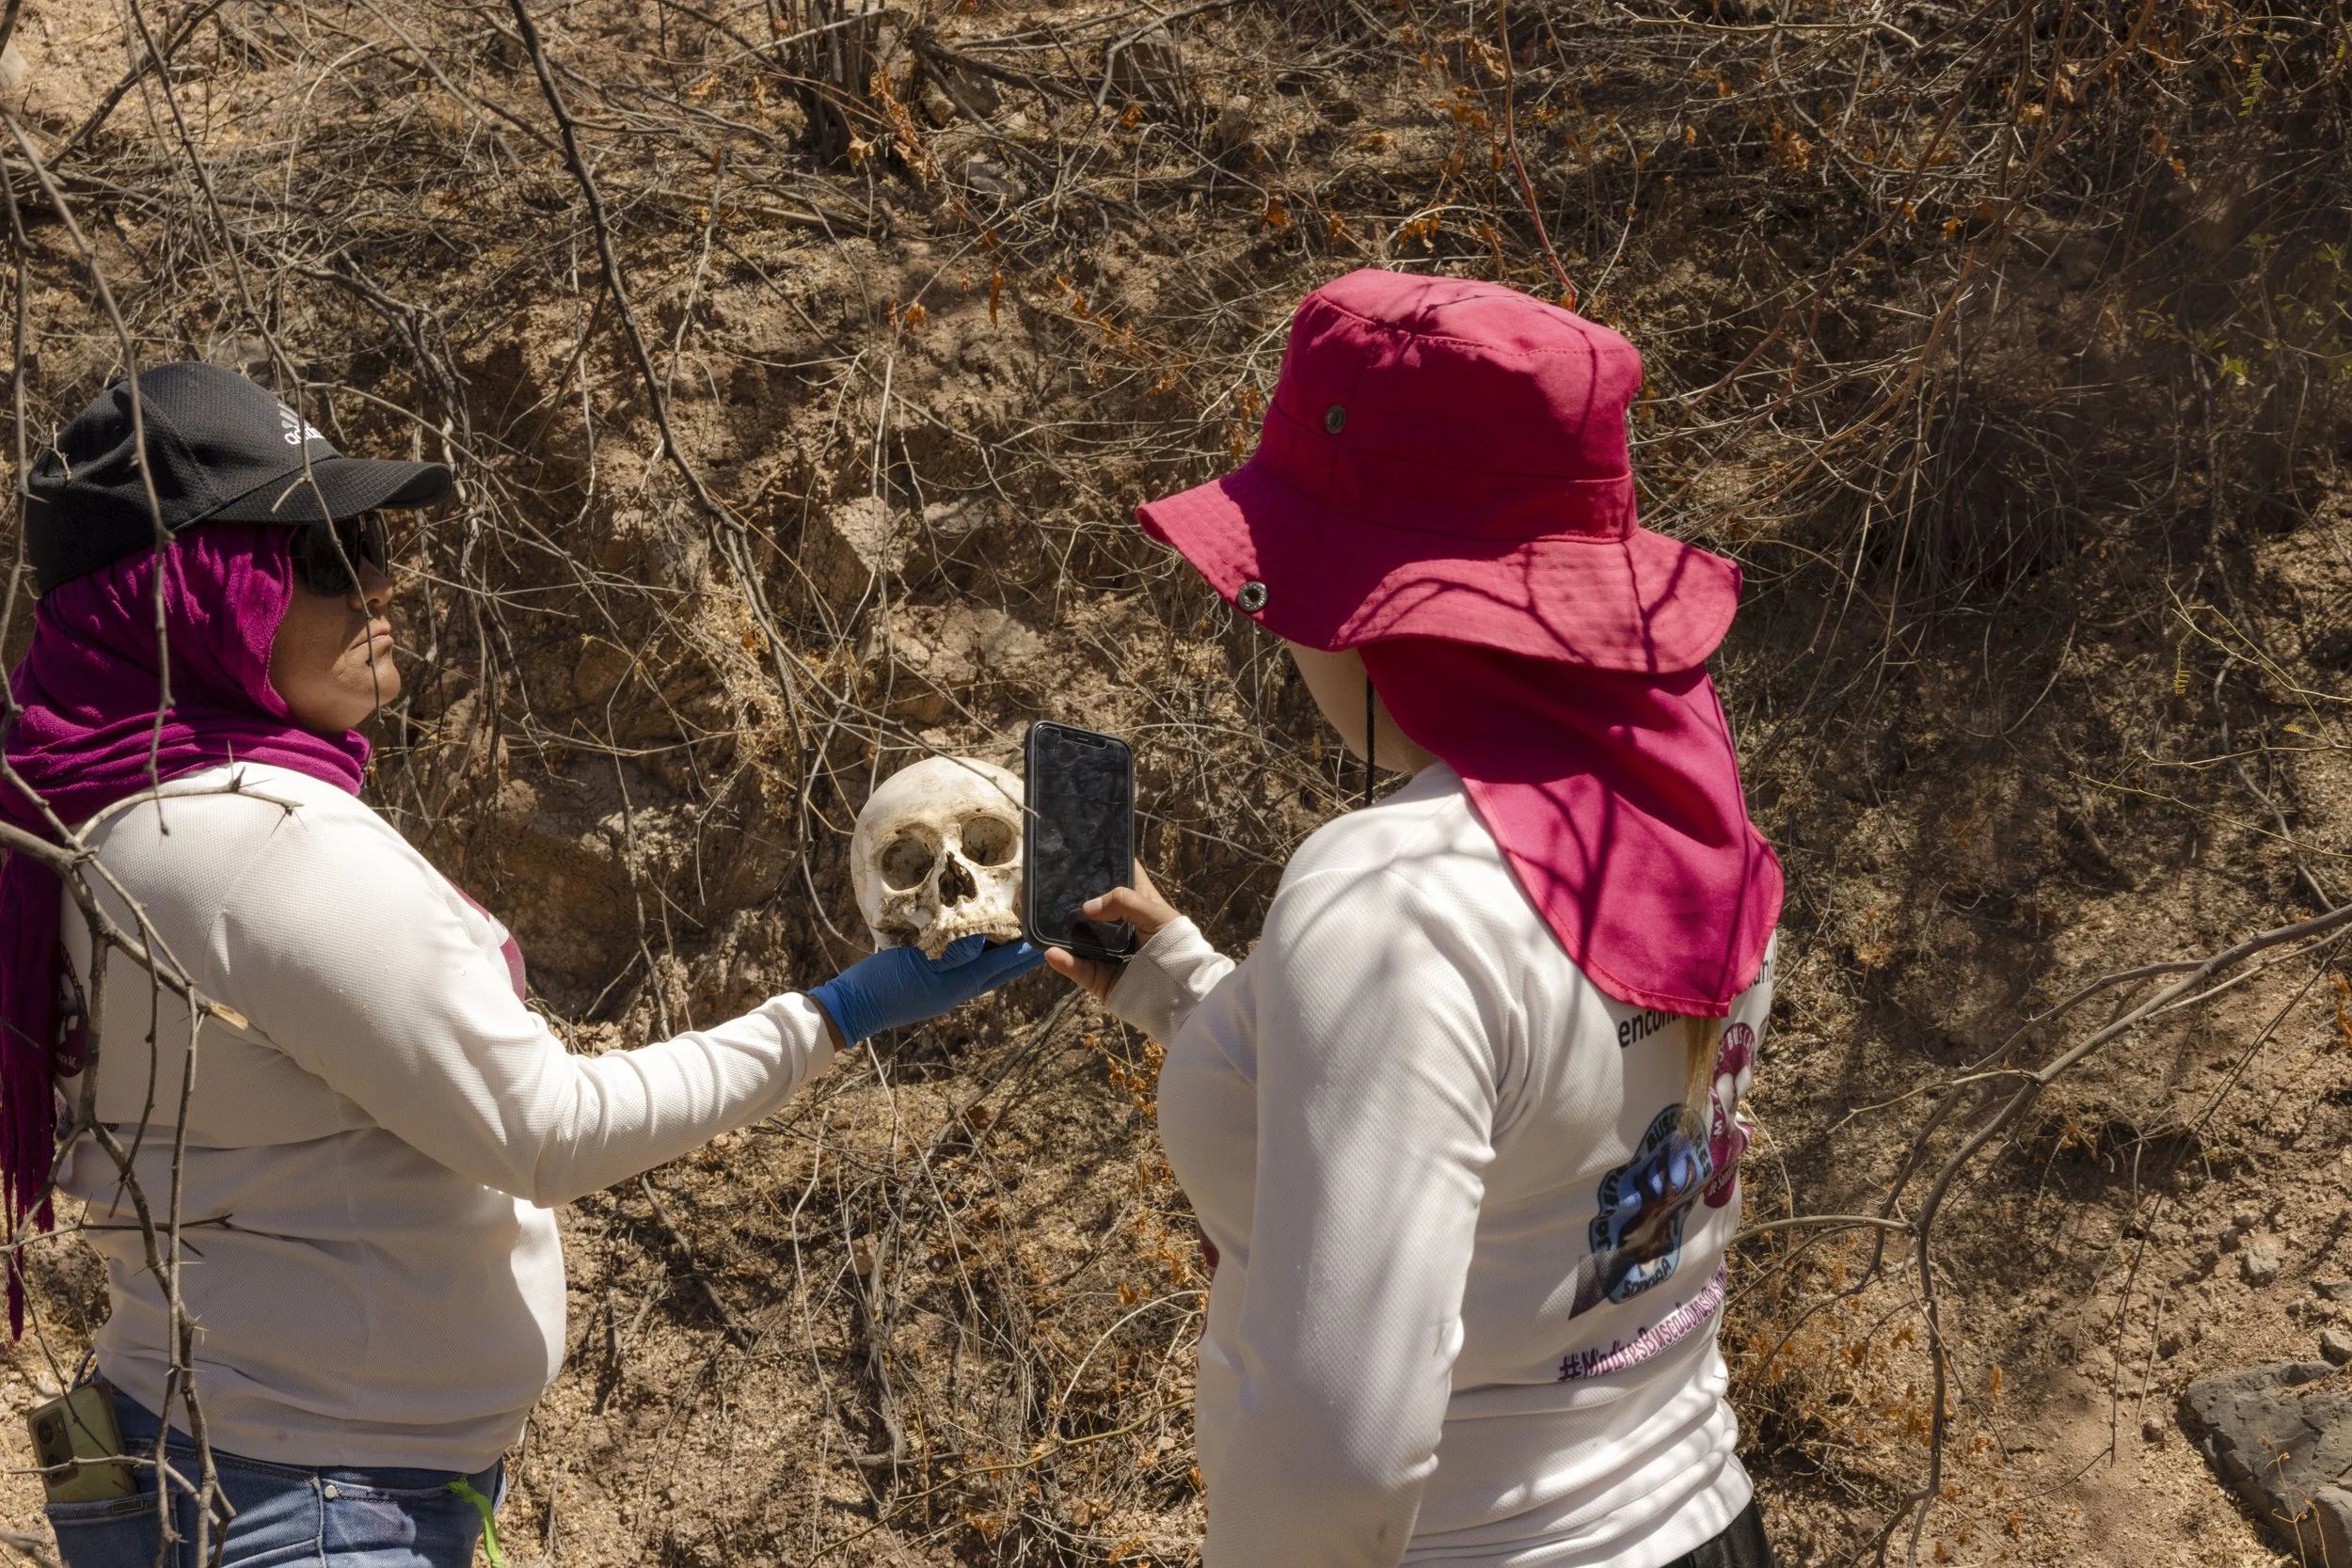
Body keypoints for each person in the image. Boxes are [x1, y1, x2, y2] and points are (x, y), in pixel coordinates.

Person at [0, 362, 1040, 1566]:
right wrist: (837, 1011)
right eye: (328, 554)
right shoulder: (260, 840)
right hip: (317, 1502)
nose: (384, 577)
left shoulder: (84, 820)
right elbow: (545, 1129)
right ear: (196, 593)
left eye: (373, 537)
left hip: (205, 1461)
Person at [1045, 271, 1785, 1568]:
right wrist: (1182, 982)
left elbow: (1342, 1459)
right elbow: (1522, 1120)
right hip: (1702, 1515)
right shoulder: (1675, 803)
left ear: (1364, 600)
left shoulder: (1387, 896)